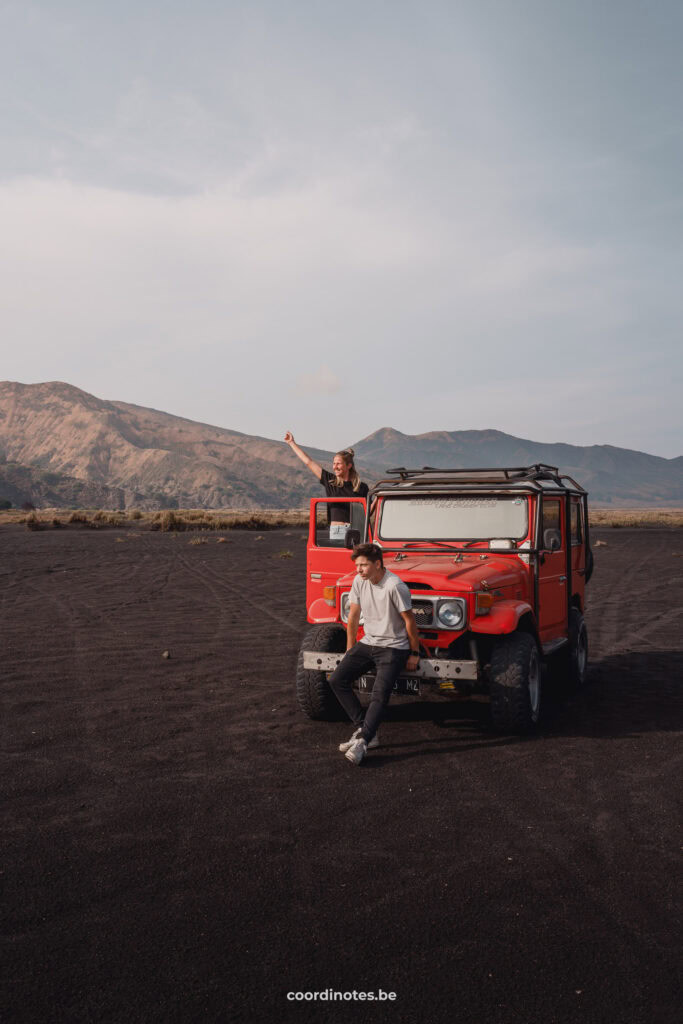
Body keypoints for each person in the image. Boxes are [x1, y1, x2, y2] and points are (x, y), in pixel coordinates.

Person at [329, 543, 420, 766]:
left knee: (379, 694)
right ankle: (364, 730)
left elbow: (410, 621)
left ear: (377, 564)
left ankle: (363, 742)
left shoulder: (395, 586)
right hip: (368, 641)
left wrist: (414, 652)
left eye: (363, 565)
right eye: (357, 565)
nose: (359, 569)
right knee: (337, 679)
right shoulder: (359, 581)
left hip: (394, 646)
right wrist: (351, 648)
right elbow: (353, 616)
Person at [284, 431, 369, 537]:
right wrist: (292, 443)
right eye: (334, 463)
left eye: (338, 464)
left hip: (356, 531)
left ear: (349, 466)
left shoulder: (362, 487)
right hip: (337, 531)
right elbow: (308, 462)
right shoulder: (330, 481)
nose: (335, 467)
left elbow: (368, 512)